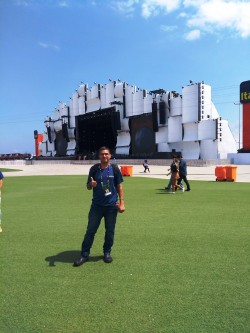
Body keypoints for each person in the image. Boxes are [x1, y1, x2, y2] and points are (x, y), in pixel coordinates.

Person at [74, 147, 125, 266]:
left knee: (110, 231)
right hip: (96, 206)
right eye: (102, 154)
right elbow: (88, 186)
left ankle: (107, 252)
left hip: (111, 206)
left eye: (106, 154)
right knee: (90, 230)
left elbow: (119, 186)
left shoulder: (114, 169)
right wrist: (91, 184)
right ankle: (84, 255)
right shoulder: (94, 169)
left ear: (110, 155)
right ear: (99, 156)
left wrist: (122, 202)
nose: (104, 156)